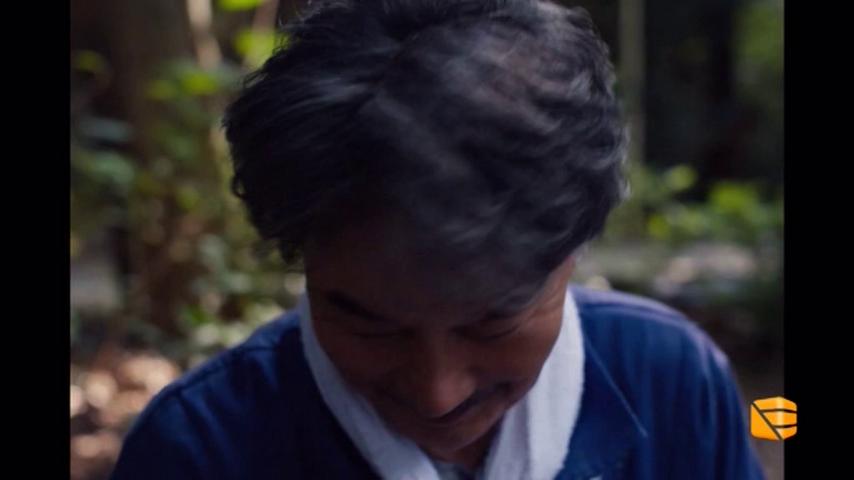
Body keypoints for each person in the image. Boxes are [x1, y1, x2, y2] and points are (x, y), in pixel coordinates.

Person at [111, 0, 765, 478]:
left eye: (490, 321)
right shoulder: (198, 451)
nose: (437, 393)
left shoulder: (670, 382)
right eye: (369, 324)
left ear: (572, 252)